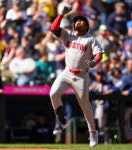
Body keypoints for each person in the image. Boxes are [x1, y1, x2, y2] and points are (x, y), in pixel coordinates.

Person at [49, 4, 104, 147]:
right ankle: (61, 120)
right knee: (53, 93)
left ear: (86, 26)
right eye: (76, 21)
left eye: (81, 21)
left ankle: (93, 133)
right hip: (67, 72)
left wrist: (94, 62)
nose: (78, 22)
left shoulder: (90, 39)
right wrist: (61, 15)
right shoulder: (68, 35)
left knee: (85, 106)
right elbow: (54, 29)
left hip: (81, 76)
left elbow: (99, 55)